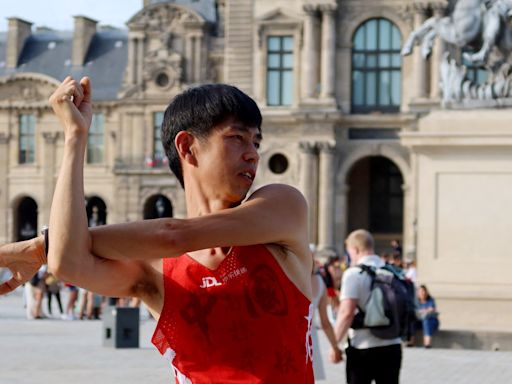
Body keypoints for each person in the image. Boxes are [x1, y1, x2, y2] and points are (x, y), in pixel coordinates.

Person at [0, 77, 314, 382]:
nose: (253, 153)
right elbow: (67, 261)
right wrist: (74, 137)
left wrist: (43, 247)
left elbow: (173, 234)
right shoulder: (155, 270)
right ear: (188, 147)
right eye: (237, 138)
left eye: (256, 141)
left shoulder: (282, 208)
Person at [331, 229, 402, 384]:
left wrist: (334, 343)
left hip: (362, 347)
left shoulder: (353, 274)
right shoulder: (391, 271)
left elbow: (346, 312)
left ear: (355, 249)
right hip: (392, 345)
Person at [311, 268, 342, 381]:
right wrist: (335, 347)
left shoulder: (290, 276)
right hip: (309, 339)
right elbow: (325, 323)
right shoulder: (319, 282)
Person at [417, 284, 440, 348]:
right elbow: (415, 311)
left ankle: (427, 344)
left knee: (426, 321)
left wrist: (423, 311)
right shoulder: (416, 301)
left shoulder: (430, 300)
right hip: (419, 322)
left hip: (431, 321)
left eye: (423, 291)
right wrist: (425, 310)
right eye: (420, 291)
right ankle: (410, 343)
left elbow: (432, 309)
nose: (422, 293)